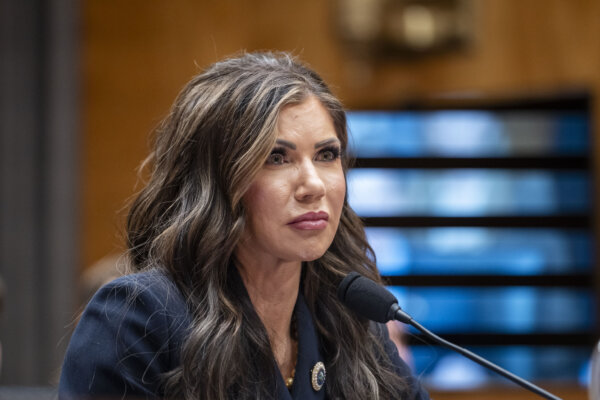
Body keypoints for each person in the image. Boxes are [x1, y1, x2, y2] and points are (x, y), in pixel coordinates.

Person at [59, 52, 429, 400]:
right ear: (215, 180)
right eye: (276, 158)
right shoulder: (138, 319)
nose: (314, 185)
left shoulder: (352, 321)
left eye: (326, 155)